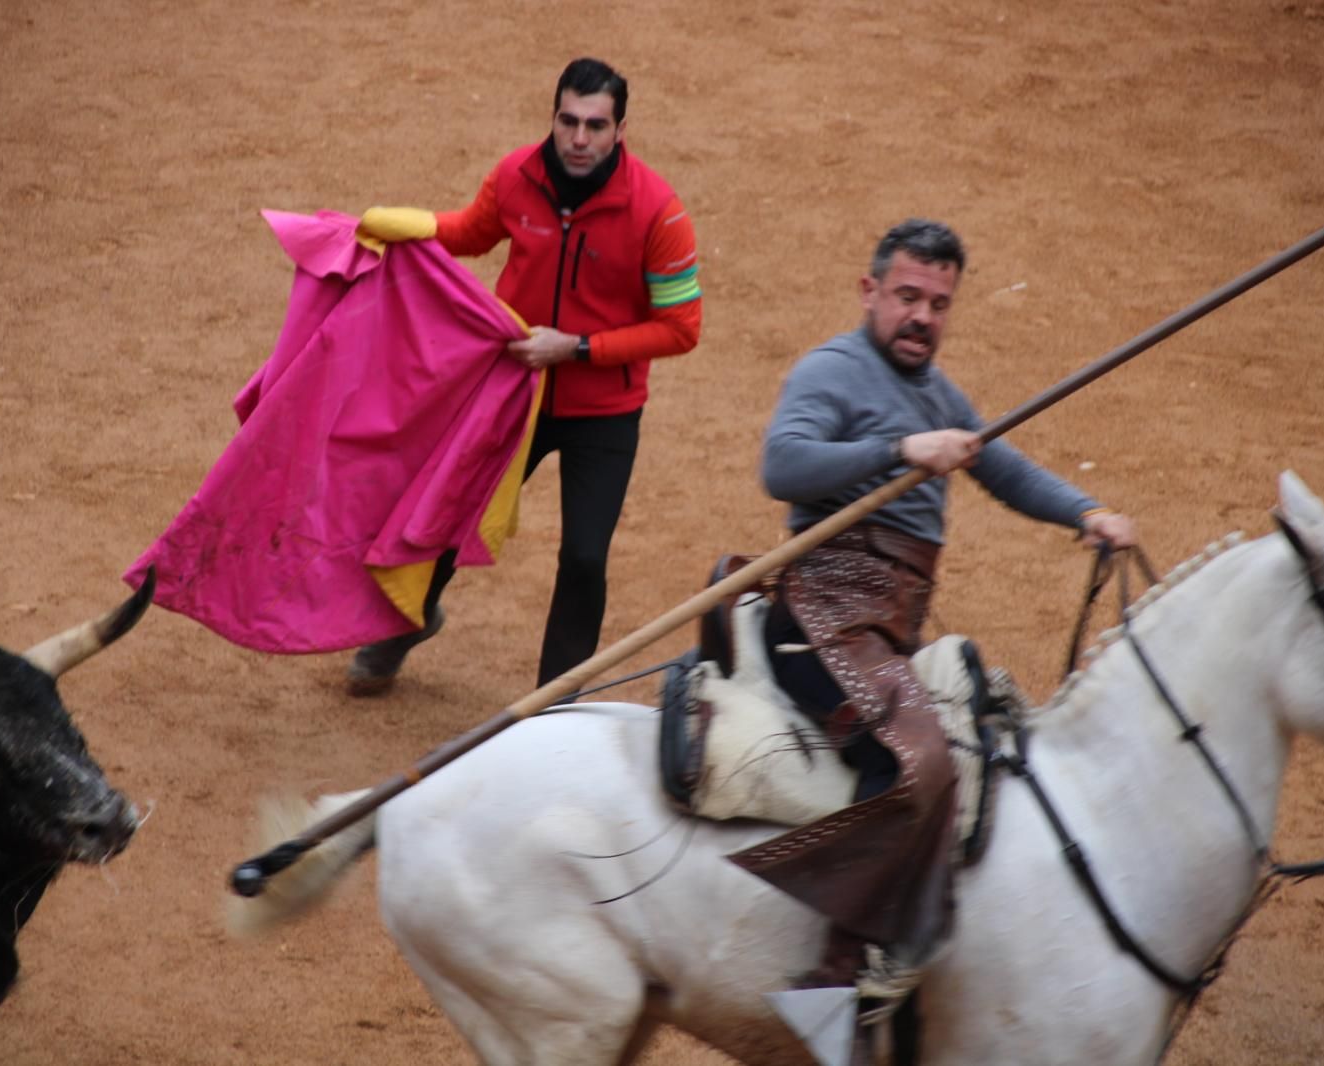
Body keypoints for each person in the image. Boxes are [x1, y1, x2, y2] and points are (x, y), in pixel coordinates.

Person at [730, 218, 1135, 1007]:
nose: (921, 316)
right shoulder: (831, 371)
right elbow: (783, 465)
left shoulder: (941, 396)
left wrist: (1086, 513)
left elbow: (1007, 469)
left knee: (987, 734)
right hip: (819, 616)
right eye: (907, 296)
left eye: (938, 303)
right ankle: (841, 970)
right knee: (918, 754)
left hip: (884, 625)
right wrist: (899, 450)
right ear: (870, 291)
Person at [346, 57, 702, 696]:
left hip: (606, 412)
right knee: (449, 514)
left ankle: (556, 703)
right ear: (554, 117)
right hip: (517, 393)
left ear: (621, 130)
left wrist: (578, 348)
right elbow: (470, 232)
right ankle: (406, 623)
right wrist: (401, 229)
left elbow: (681, 328)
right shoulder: (518, 176)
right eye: (568, 121)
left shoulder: (660, 214)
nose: (579, 138)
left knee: (585, 557)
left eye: (596, 125)